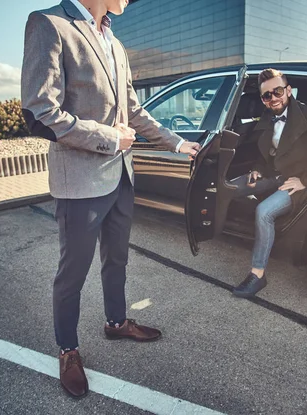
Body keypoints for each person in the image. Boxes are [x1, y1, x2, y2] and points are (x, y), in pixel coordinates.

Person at [21, 0, 200, 398]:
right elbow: (39, 111)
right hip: (81, 181)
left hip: (121, 177)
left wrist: (177, 142)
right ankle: (68, 351)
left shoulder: (114, 40)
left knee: (117, 258)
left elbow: (132, 109)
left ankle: (116, 323)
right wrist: (108, 138)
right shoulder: (49, 23)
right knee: (73, 273)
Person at [231, 68, 307, 298]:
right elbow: (266, 155)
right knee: (228, 187)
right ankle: (225, 233)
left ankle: (257, 274)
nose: (273, 98)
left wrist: (305, 180)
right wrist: (257, 170)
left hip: (298, 183)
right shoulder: (268, 117)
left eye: (277, 91)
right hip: (273, 175)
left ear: (288, 91)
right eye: (266, 95)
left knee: (264, 212)